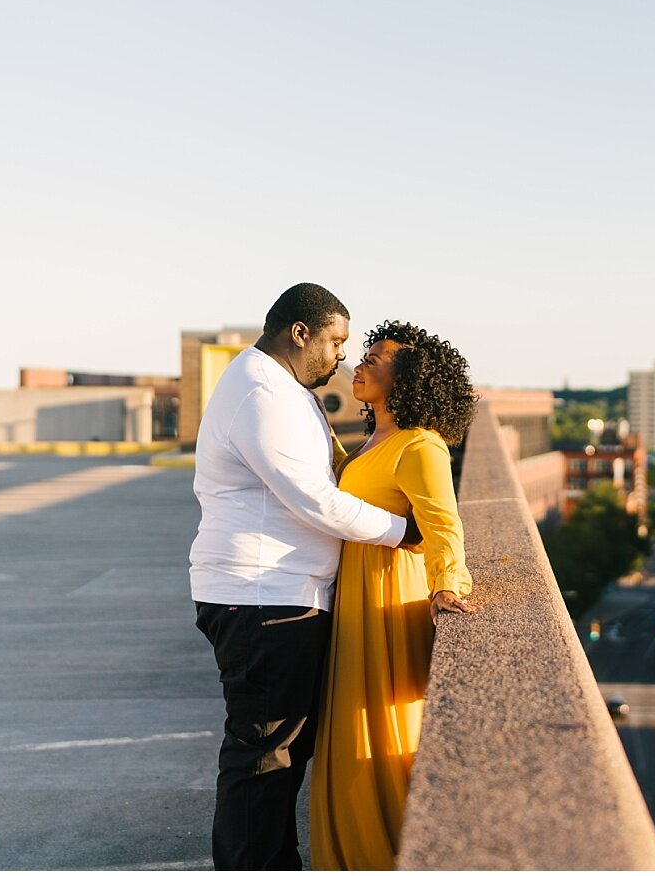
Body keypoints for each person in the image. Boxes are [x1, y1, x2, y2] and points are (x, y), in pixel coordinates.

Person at [189, 283, 419, 871]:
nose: (342, 356)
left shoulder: (281, 388)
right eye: (336, 341)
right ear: (300, 332)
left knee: (280, 754)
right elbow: (315, 500)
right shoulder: (262, 391)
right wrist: (404, 530)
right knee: (264, 757)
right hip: (262, 600)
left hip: (277, 596)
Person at [309, 320, 478, 870]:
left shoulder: (421, 444)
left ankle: (390, 857)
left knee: (378, 738)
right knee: (349, 733)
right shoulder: (375, 440)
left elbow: (442, 525)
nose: (360, 364)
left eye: (376, 359)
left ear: (407, 381)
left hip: (384, 598)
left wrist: (446, 585)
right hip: (356, 595)